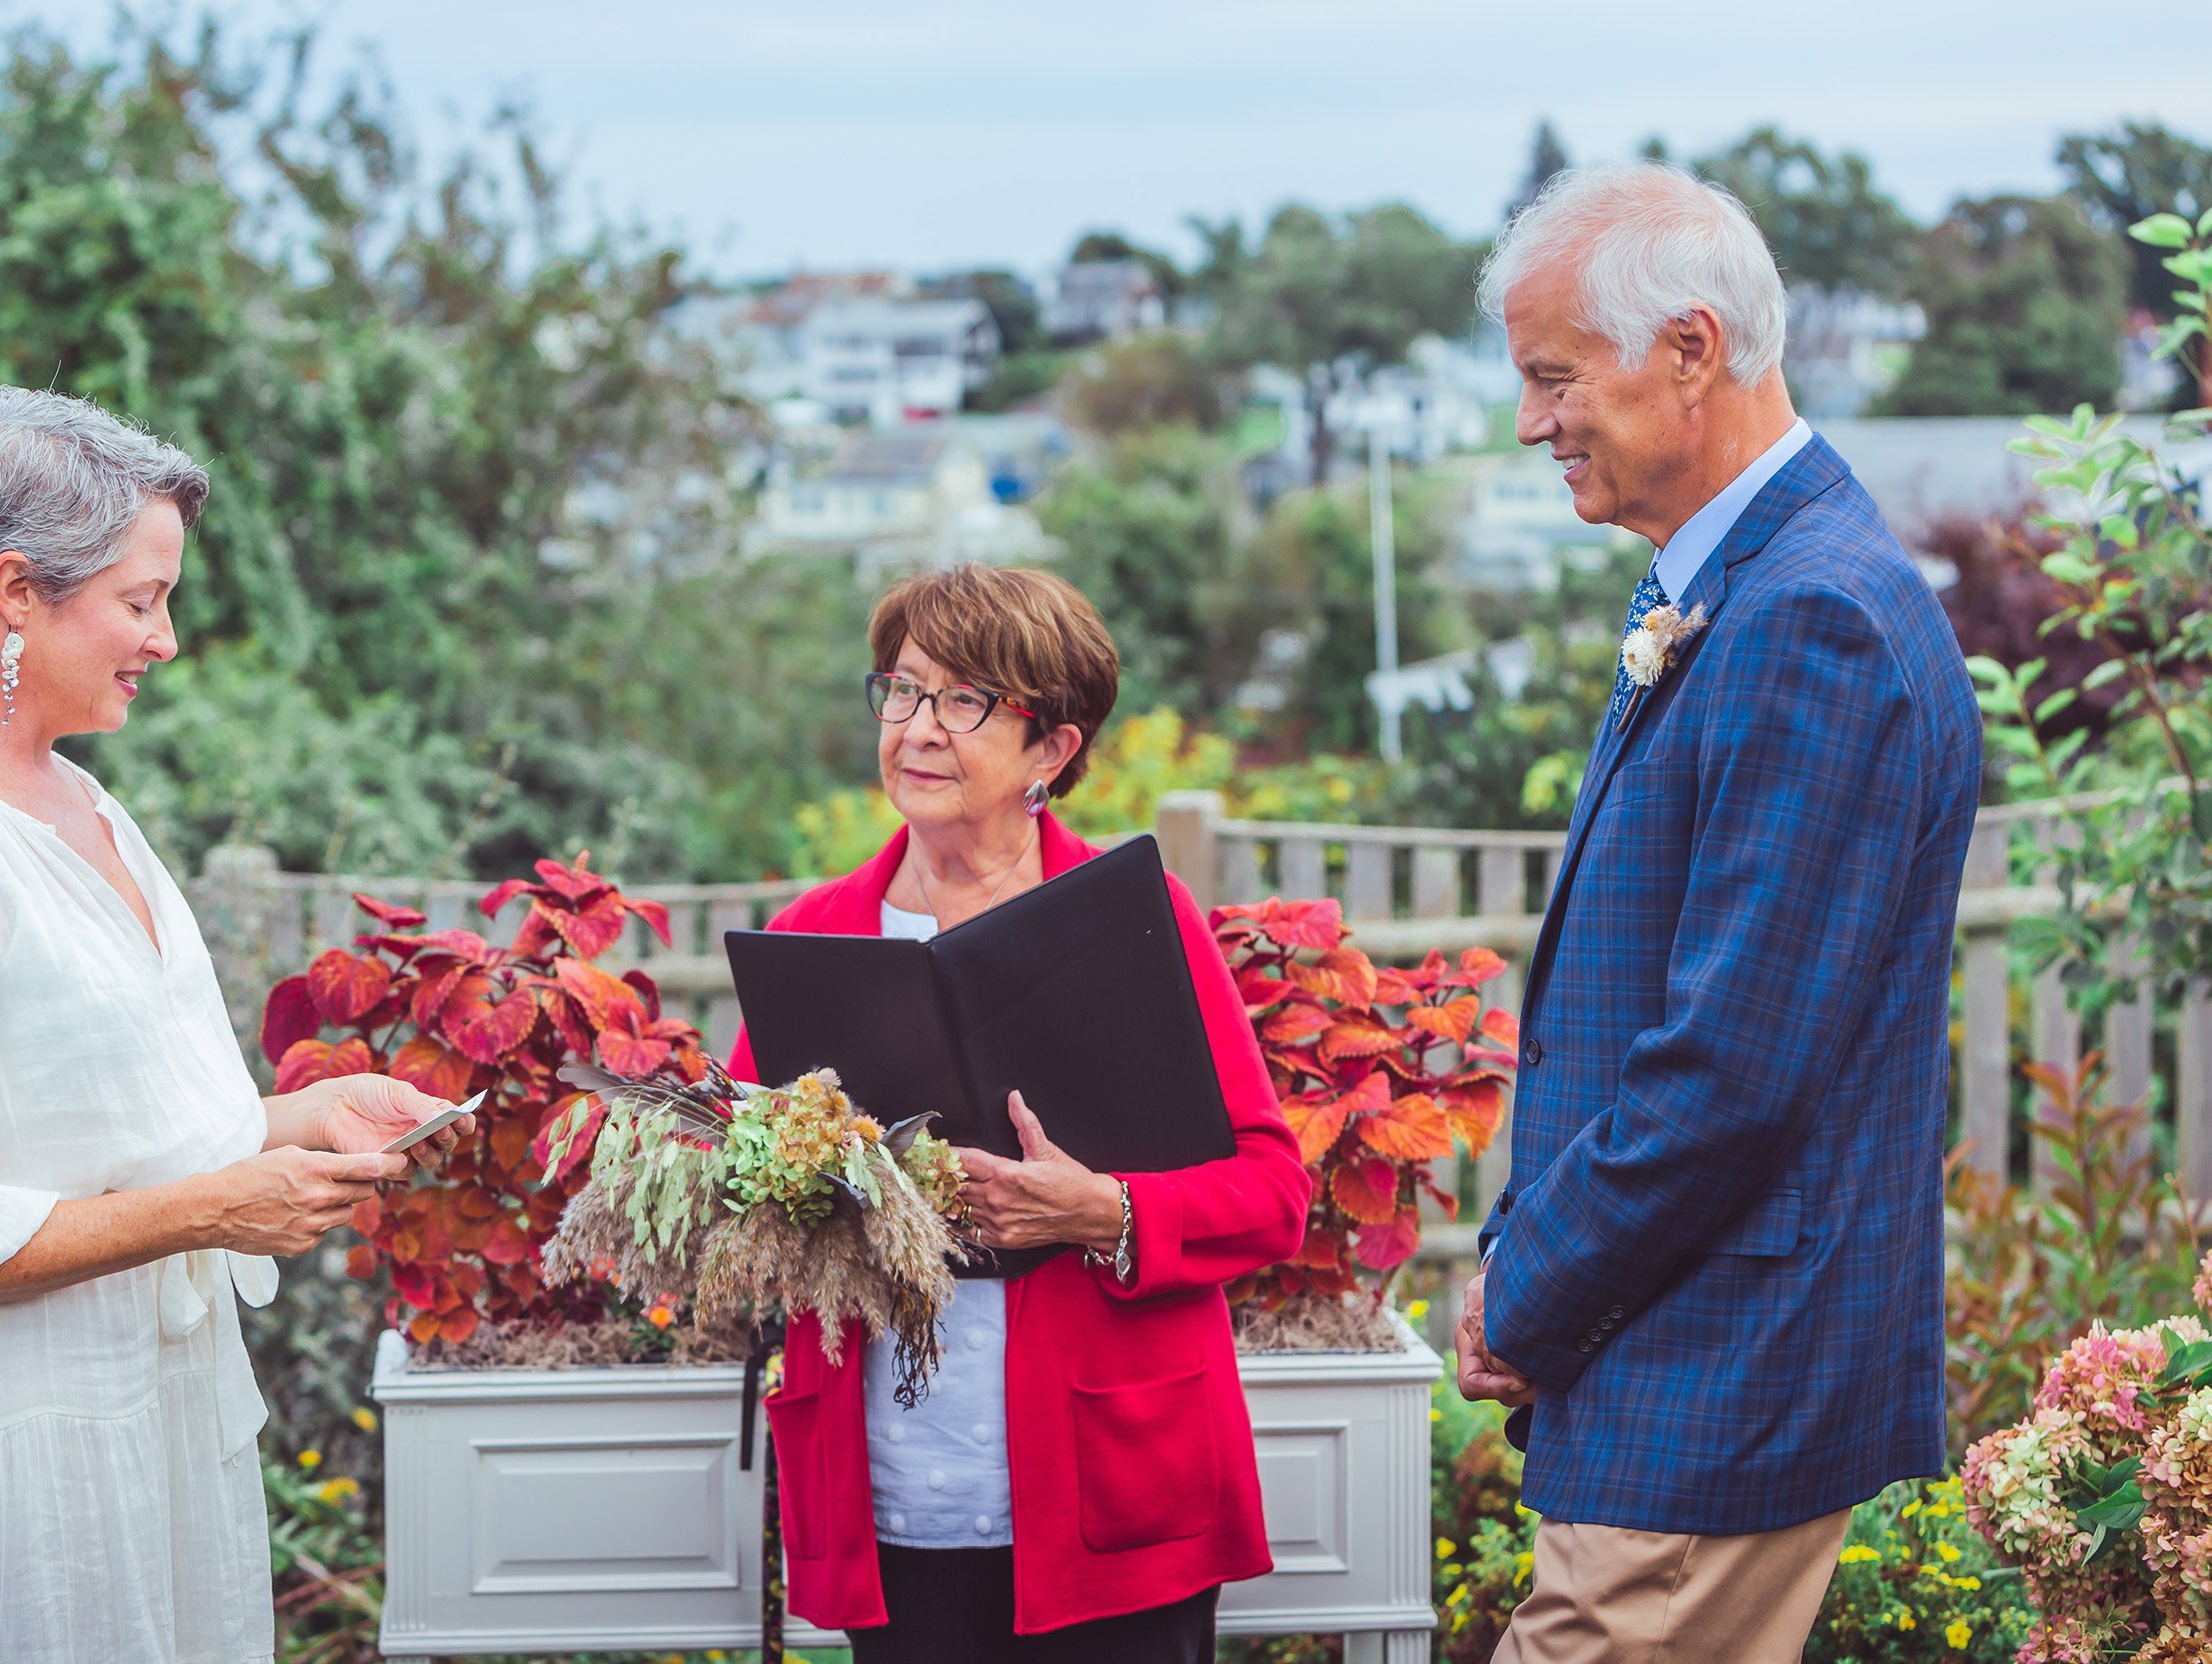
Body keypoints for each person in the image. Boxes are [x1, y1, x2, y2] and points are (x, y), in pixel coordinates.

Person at [0, 387, 475, 1663]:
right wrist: (215, 1208)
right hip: (6, 1475)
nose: (164, 639)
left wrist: (295, 1118)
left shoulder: (87, 801)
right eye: (140, 598)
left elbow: (97, 1131)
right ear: (15, 589)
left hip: (147, 1427)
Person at [1455, 164, 1982, 1662]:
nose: (1529, 420)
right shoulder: (1746, 587)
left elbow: (1729, 1069)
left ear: (1689, 350)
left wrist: (1526, 1288)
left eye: (1555, 376)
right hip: (1679, 1354)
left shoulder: (1811, 616)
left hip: (1715, 1367)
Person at [726, 565, 1312, 1664]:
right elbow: (737, 1181)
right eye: (899, 690)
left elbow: (1274, 1193)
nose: (917, 728)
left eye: (964, 700)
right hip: (890, 1490)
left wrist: (1103, 1210)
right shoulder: (814, 931)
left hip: (1111, 1483)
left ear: (1052, 747)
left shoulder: (1136, 920)